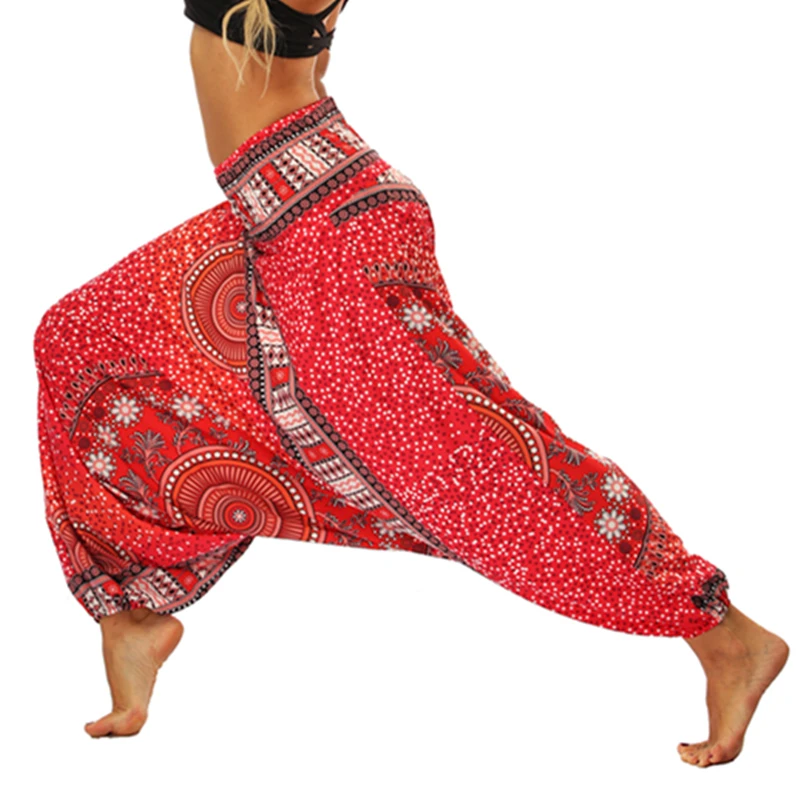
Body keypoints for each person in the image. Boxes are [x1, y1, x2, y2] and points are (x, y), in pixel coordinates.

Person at [32, 0, 788, 765]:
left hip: (323, 224)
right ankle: (131, 615)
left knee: (477, 462)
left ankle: (723, 636)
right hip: (283, 204)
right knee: (78, 337)